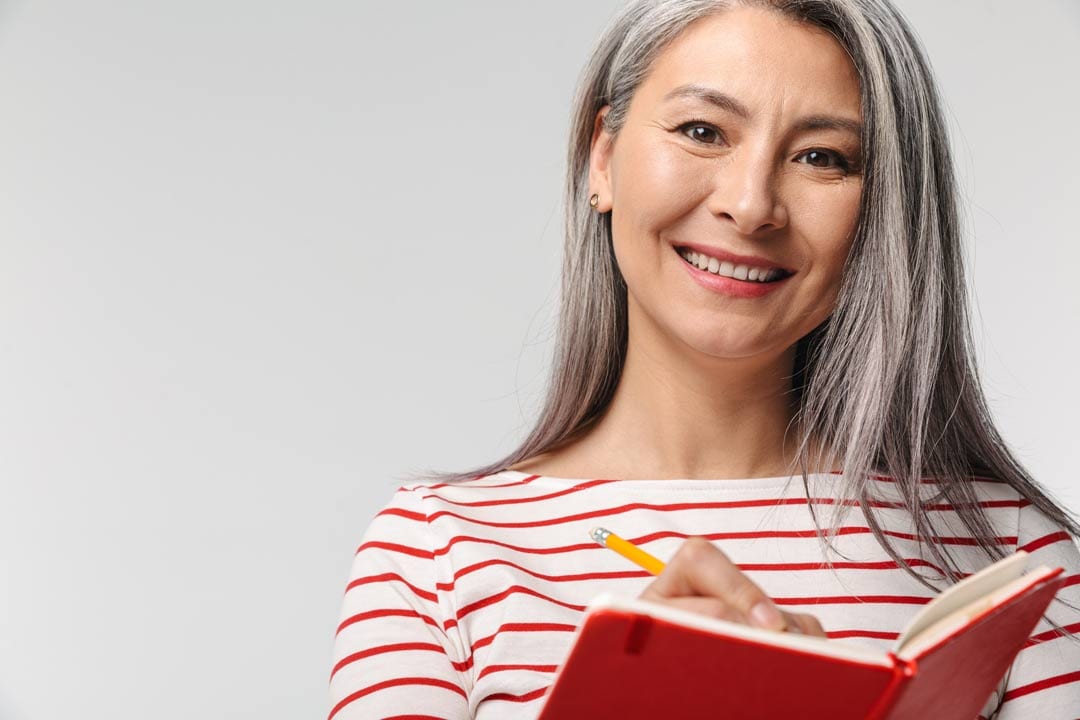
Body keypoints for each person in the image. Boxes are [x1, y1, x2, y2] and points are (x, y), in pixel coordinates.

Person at [328, 1, 1080, 718]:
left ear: (881, 211)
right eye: (702, 130)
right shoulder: (432, 554)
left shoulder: (1013, 557)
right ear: (604, 158)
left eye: (822, 157)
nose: (751, 204)